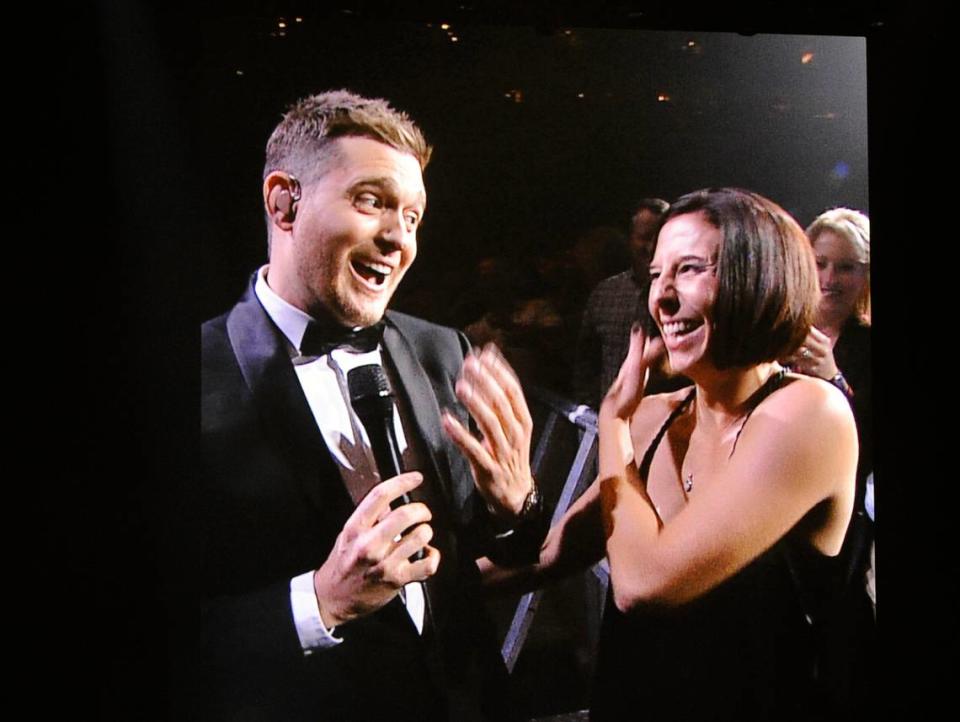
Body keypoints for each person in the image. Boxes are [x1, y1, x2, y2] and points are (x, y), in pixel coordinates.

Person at [200, 90, 545, 721]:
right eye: (372, 201)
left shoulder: (442, 350)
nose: (397, 238)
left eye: (412, 217)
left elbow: (496, 551)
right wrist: (322, 601)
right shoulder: (198, 377)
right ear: (284, 202)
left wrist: (515, 505)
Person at [511, 188, 859, 720]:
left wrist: (611, 421)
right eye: (656, 275)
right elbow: (554, 554)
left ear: (760, 278)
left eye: (690, 270)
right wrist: (414, 574)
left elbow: (643, 585)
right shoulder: (653, 415)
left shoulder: (809, 414)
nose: (662, 298)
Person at [573, 198, 685, 408]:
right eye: (644, 237)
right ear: (629, 240)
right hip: (606, 425)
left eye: (658, 237)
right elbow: (586, 361)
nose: (651, 246)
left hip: (665, 425)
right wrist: (590, 411)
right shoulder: (606, 293)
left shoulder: (686, 294)